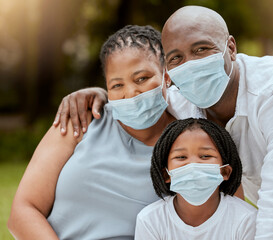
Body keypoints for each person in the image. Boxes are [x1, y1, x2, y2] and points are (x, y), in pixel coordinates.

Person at [54, 5, 273, 240]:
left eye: (201, 49)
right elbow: (139, 101)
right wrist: (94, 95)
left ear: (230, 47)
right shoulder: (185, 99)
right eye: (175, 58)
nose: (191, 65)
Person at [7, 25, 206, 239]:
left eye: (142, 79)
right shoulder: (80, 120)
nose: (130, 93)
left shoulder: (194, 143)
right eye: (117, 85)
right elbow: (24, 211)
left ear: (166, 75)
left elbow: (220, 219)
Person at [135, 118, 256, 240]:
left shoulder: (246, 219)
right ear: (166, 175)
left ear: (224, 171)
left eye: (205, 156)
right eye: (181, 157)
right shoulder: (150, 220)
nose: (192, 164)